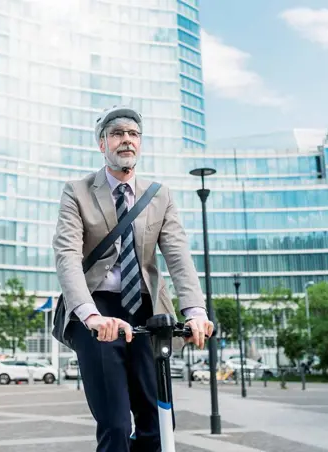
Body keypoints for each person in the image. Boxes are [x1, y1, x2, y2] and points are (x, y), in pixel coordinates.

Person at [52, 105, 214, 452]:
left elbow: (178, 256)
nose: (126, 140)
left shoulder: (159, 195)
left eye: (133, 134)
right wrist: (90, 314)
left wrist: (196, 311)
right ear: (102, 144)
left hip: (146, 309)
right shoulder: (77, 191)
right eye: (117, 134)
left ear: (140, 144)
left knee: (158, 423)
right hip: (97, 307)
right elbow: (66, 255)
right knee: (115, 424)